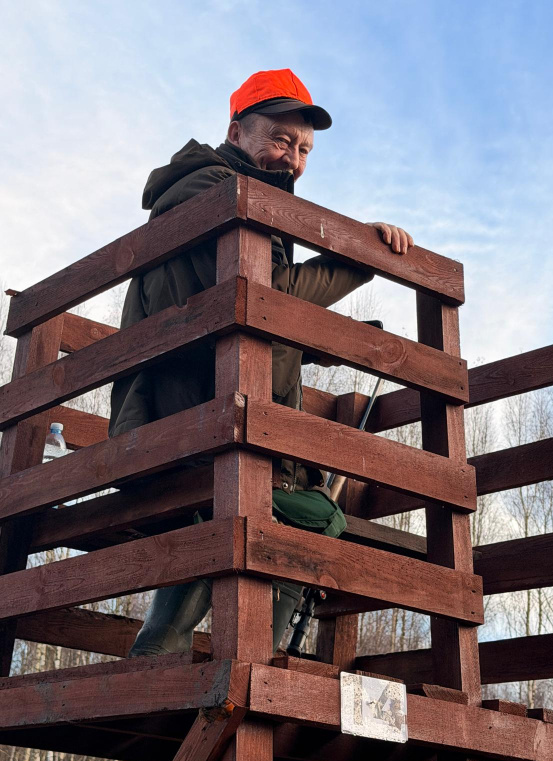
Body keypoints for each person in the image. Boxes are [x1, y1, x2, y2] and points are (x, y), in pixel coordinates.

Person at [109, 69, 414, 657]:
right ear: (236, 132)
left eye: (304, 150)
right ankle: (221, 664)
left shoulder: (239, 196)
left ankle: (211, 666)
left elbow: (239, 311)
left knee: (284, 516)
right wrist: (361, 256)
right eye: (280, 140)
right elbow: (266, 294)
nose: (293, 159)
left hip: (217, 428)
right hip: (194, 433)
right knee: (305, 518)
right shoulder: (213, 190)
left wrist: (331, 339)